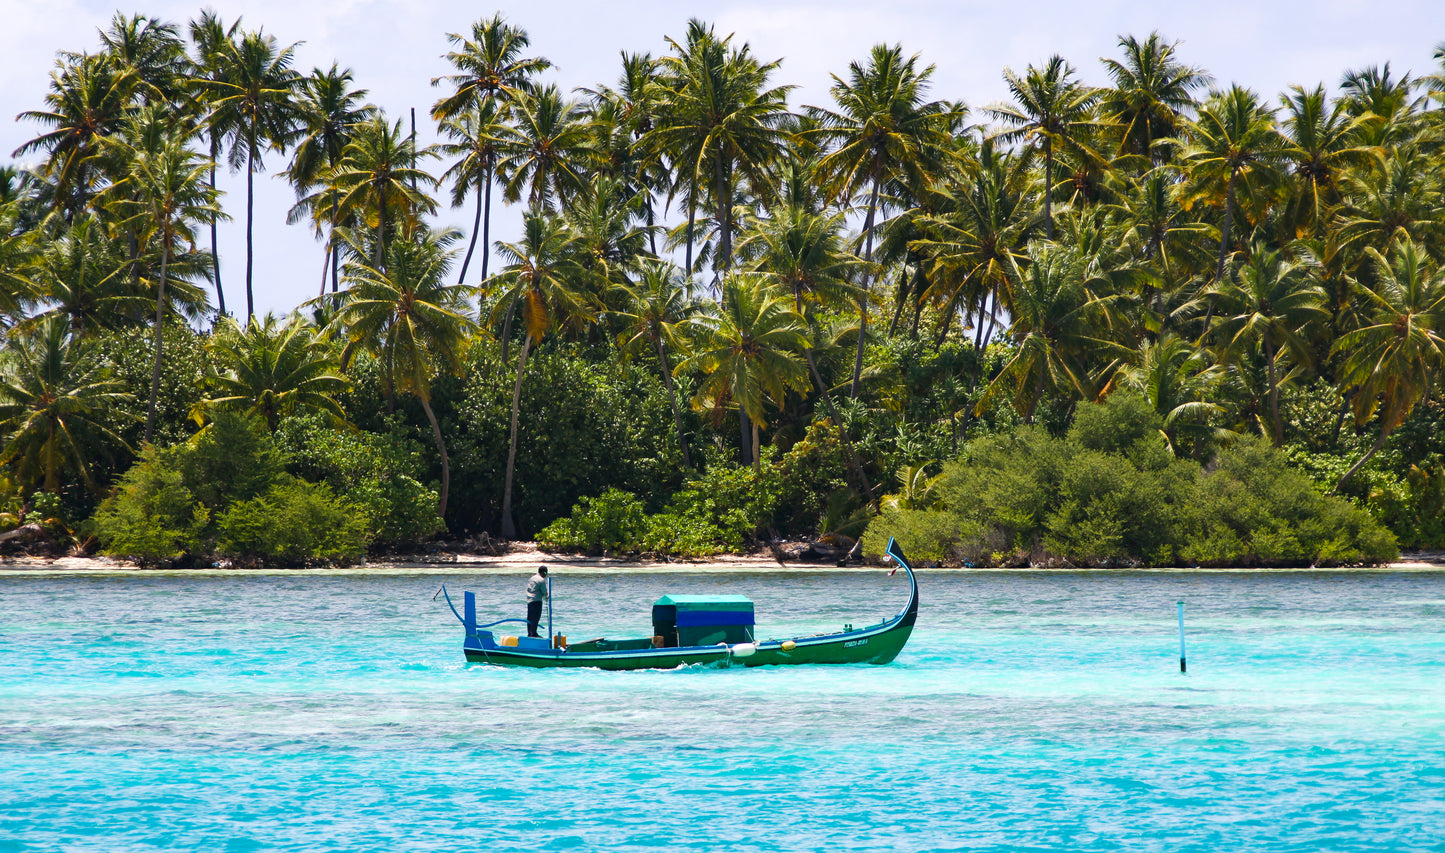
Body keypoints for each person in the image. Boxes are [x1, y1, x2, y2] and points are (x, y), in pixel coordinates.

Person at [525, 565, 549, 638]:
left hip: (529, 600)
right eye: (546, 573)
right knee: (536, 618)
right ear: (543, 572)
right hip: (537, 600)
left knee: (530, 618)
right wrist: (547, 595)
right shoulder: (541, 580)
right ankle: (534, 634)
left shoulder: (532, 578)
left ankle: (530, 633)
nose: (546, 574)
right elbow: (544, 592)